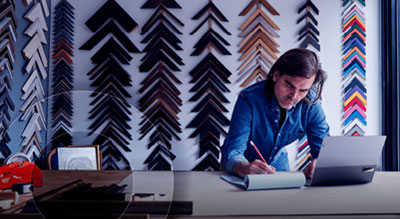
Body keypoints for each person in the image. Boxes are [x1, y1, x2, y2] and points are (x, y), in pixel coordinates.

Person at [221, 48, 329, 179]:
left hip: (280, 169)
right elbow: (233, 151)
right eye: (289, 85)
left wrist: (320, 165)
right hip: (241, 171)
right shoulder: (249, 99)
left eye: (303, 90)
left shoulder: (311, 104)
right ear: (276, 75)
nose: (294, 96)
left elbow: (324, 151)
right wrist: (242, 168)